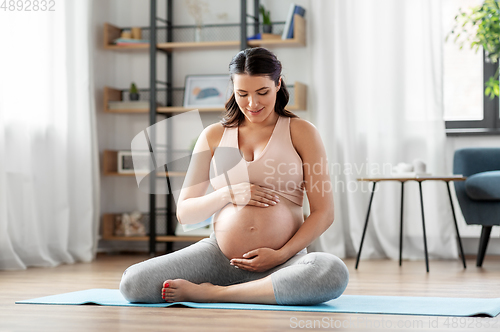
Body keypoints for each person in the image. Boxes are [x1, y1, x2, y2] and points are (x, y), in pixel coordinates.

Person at [119, 47, 349, 305]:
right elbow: (186, 213)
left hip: (283, 262)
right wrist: (228, 193)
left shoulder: (301, 131)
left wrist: (281, 254)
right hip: (219, 258)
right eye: (243, 94)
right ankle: (258, 291)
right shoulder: (213, 135)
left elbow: (323, 212)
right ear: (233, 90)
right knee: (133, 283)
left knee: (331, 271)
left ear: (278, 84)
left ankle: (214, 293)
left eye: (262, 92)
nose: (253, 103)